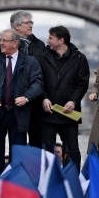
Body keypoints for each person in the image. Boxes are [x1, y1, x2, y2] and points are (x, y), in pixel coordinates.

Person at [0, 29, 43, 177]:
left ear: (15, 43)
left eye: (4, 40)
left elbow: (38, 83)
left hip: (19, 115)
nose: (1, 43)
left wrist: (26, 97)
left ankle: (17, 185)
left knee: (18, 153)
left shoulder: (30, 62)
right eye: (0, 40)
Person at [36, 26, 89, 169]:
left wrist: (73, 101)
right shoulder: (42, 58)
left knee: (72, 148)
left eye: (51, 38)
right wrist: (44, 98)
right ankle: (49, 180)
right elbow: (38, 82)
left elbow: (82, 84)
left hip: (69, 111)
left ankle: (72, 180)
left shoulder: (80, 58)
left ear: (61, 40)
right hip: (48, 111)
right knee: (47, 148)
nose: (48, 41)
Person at [0, 10, 46, 148]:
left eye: (31, 22)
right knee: (16, 144)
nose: (31, 25)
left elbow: (41, 75)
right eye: (27, 22)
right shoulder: (1, 47)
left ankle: (33, 170)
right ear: (17, 26)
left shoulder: (40, 45)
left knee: (36, 143)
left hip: (34, 102)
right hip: (13, 105)